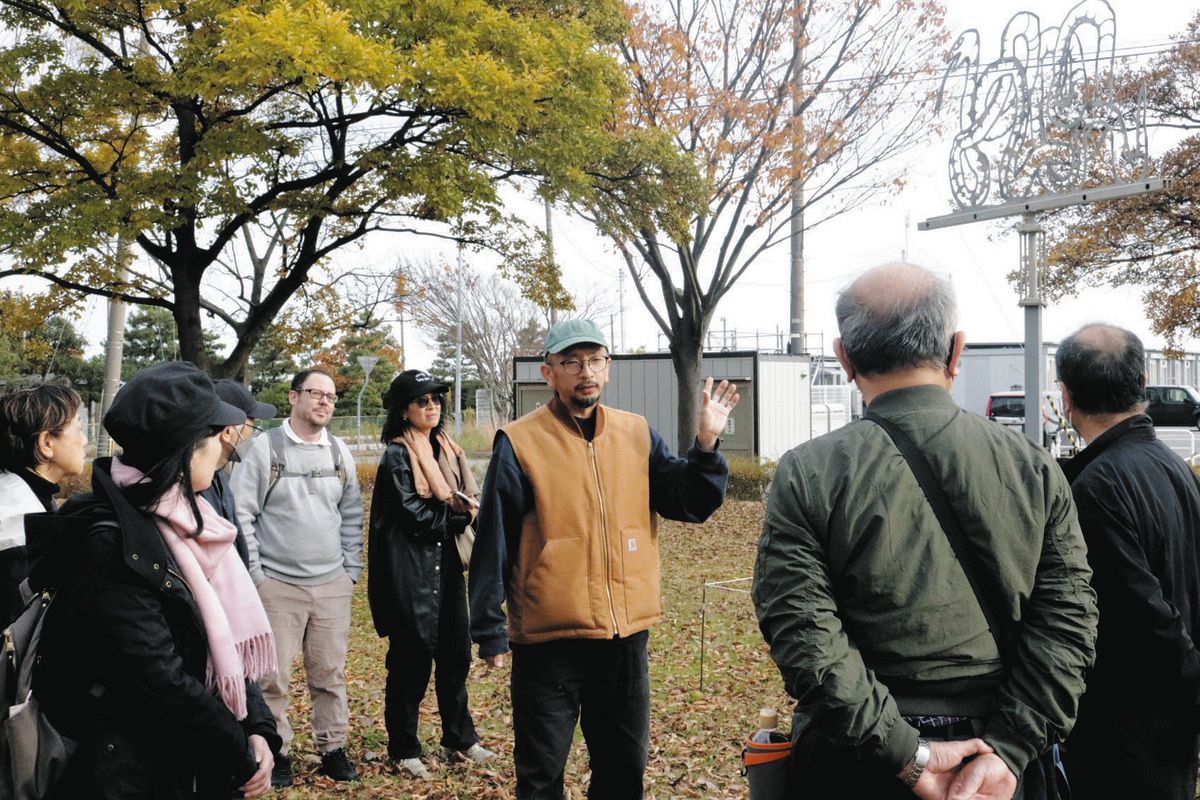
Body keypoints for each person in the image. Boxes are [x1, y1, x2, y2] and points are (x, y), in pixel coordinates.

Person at [752, 264, 1098, 800]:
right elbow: (1069, 620)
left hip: (854, 763)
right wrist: (1010, 747)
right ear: (957, 351)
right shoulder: (1032, 467)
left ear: (844, 358)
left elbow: (803, 632)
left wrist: (902, 752)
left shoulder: (809, 472)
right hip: (997, 761)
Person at [469, 319, 738, 800]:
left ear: (608, 367)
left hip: (624, 637)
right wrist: (488, 627)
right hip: (548, 640)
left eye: (594, 360)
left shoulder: (636, 434)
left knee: (622, 769)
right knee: (541, 772)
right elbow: (494, 538)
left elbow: (689, 502)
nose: (584, 371)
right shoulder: (520, 442)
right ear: (549, 373)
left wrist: (705, 446)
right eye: (571, 362)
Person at [28, 361, 279, 799]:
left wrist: (257, 725)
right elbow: (159, 678)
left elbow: (226, 640)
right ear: (185, 451)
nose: (223, 450)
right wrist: (239, 752)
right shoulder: (110, 543)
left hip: (194, 759)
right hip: (134, 773)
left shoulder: (193, 521)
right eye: (213, 439)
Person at [1056, 324, 1200, 799]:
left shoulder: (1095, 488)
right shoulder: (1172, 467)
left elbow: (1143, 621)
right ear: (1141, 384)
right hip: (1171, 731)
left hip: (1123, 735)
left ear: (1065, 395)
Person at [232, 368, 364, 787]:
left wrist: (350, 572)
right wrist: (257, 576)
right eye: (315, 393)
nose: (324, 401)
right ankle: (278, 750)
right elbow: (241, 514)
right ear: (293, 397)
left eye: (330, 396)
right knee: (273, 677)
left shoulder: (339, 452)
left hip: (331, 585)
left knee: (330, 673)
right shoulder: (263, 449)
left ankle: (333, 748)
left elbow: (351, 514)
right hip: (277, 585)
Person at [368, 369, 496, 780]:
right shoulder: (397, 455)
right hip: (410, 573)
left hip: (447, 570)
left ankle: (459, 738)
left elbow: (462, 502)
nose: (432, 406)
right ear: (404, 410)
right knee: (411, 662)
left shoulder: (444, 447)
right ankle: (403, 748)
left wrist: (458, 513)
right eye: (422, 400)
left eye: (436, 399)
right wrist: (455, 517)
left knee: (456, 655)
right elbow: (414, 515)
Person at [0, 384, 88, 625]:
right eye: (78, 429)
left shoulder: (19, 495)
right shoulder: (17, 526)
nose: (84, 440)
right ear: (47, 442)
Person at [200, 379, 277, 568]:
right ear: (228, 431)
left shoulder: (219, 478)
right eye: (252, 426)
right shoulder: (197, 489)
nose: (253, 436)